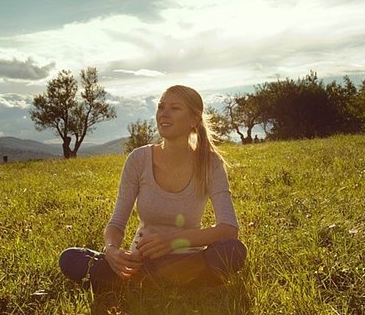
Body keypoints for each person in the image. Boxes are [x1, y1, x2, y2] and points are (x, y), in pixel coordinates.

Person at [59, 85, 246, 291]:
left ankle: (142, 283)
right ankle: (173, 282)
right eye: (161, 107)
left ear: (194, 120)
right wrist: (111, 251)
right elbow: (117, 222)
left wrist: (173, 241)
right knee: (70, 257)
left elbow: (229, 229)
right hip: (141, 260)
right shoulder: (138, 159)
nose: (164, 114)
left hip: (188, 258)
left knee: (233, 250)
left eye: (175, 108)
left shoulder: (210, 162)